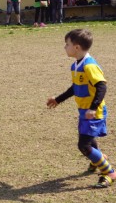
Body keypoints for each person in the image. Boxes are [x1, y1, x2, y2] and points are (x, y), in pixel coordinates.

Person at [46, 29, 116, 188]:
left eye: (67, 44)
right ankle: (96, 160)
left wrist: (93, 107)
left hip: (94, 112)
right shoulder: (75, 66)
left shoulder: (89, 66)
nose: (65, 47)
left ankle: (109, 172)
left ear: (76, 47)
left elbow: (102, 86)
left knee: (83, 145)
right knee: (89, 139)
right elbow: (74, 88)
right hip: (84, 111)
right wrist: (58, 99)